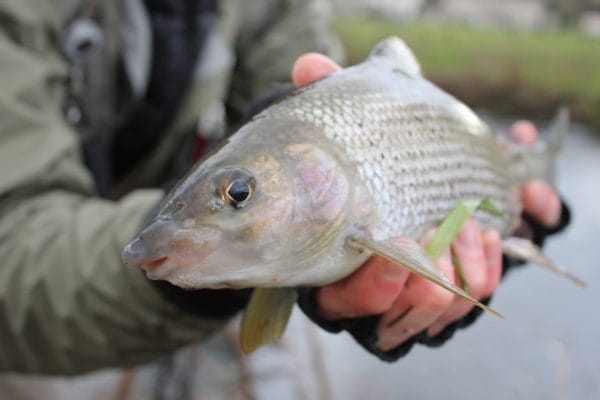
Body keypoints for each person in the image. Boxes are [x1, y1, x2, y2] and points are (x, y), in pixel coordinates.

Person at [0, 0, 566, 381]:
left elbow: (301, 81)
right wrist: (208, 267)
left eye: (240, 194)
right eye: (240, 196)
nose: (239, 196)